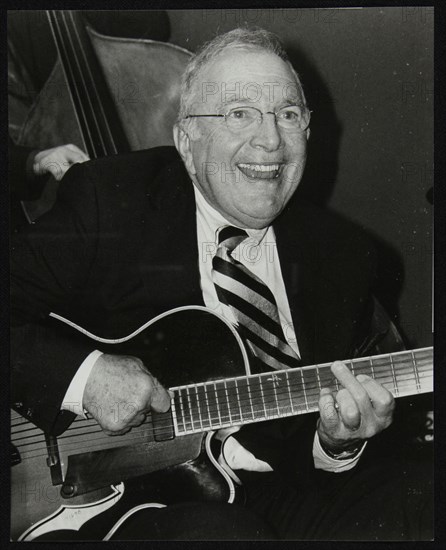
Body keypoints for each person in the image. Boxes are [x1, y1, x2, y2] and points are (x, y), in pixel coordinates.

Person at [11, 28, 432, 540]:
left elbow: (341, 432)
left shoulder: (344, 253)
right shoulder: (112, 198)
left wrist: (336, 445)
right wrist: (84, 375)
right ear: (187, 141)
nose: (270, 140)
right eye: (239, 113)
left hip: (274, 491)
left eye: (289, 114)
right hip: (105, 502)